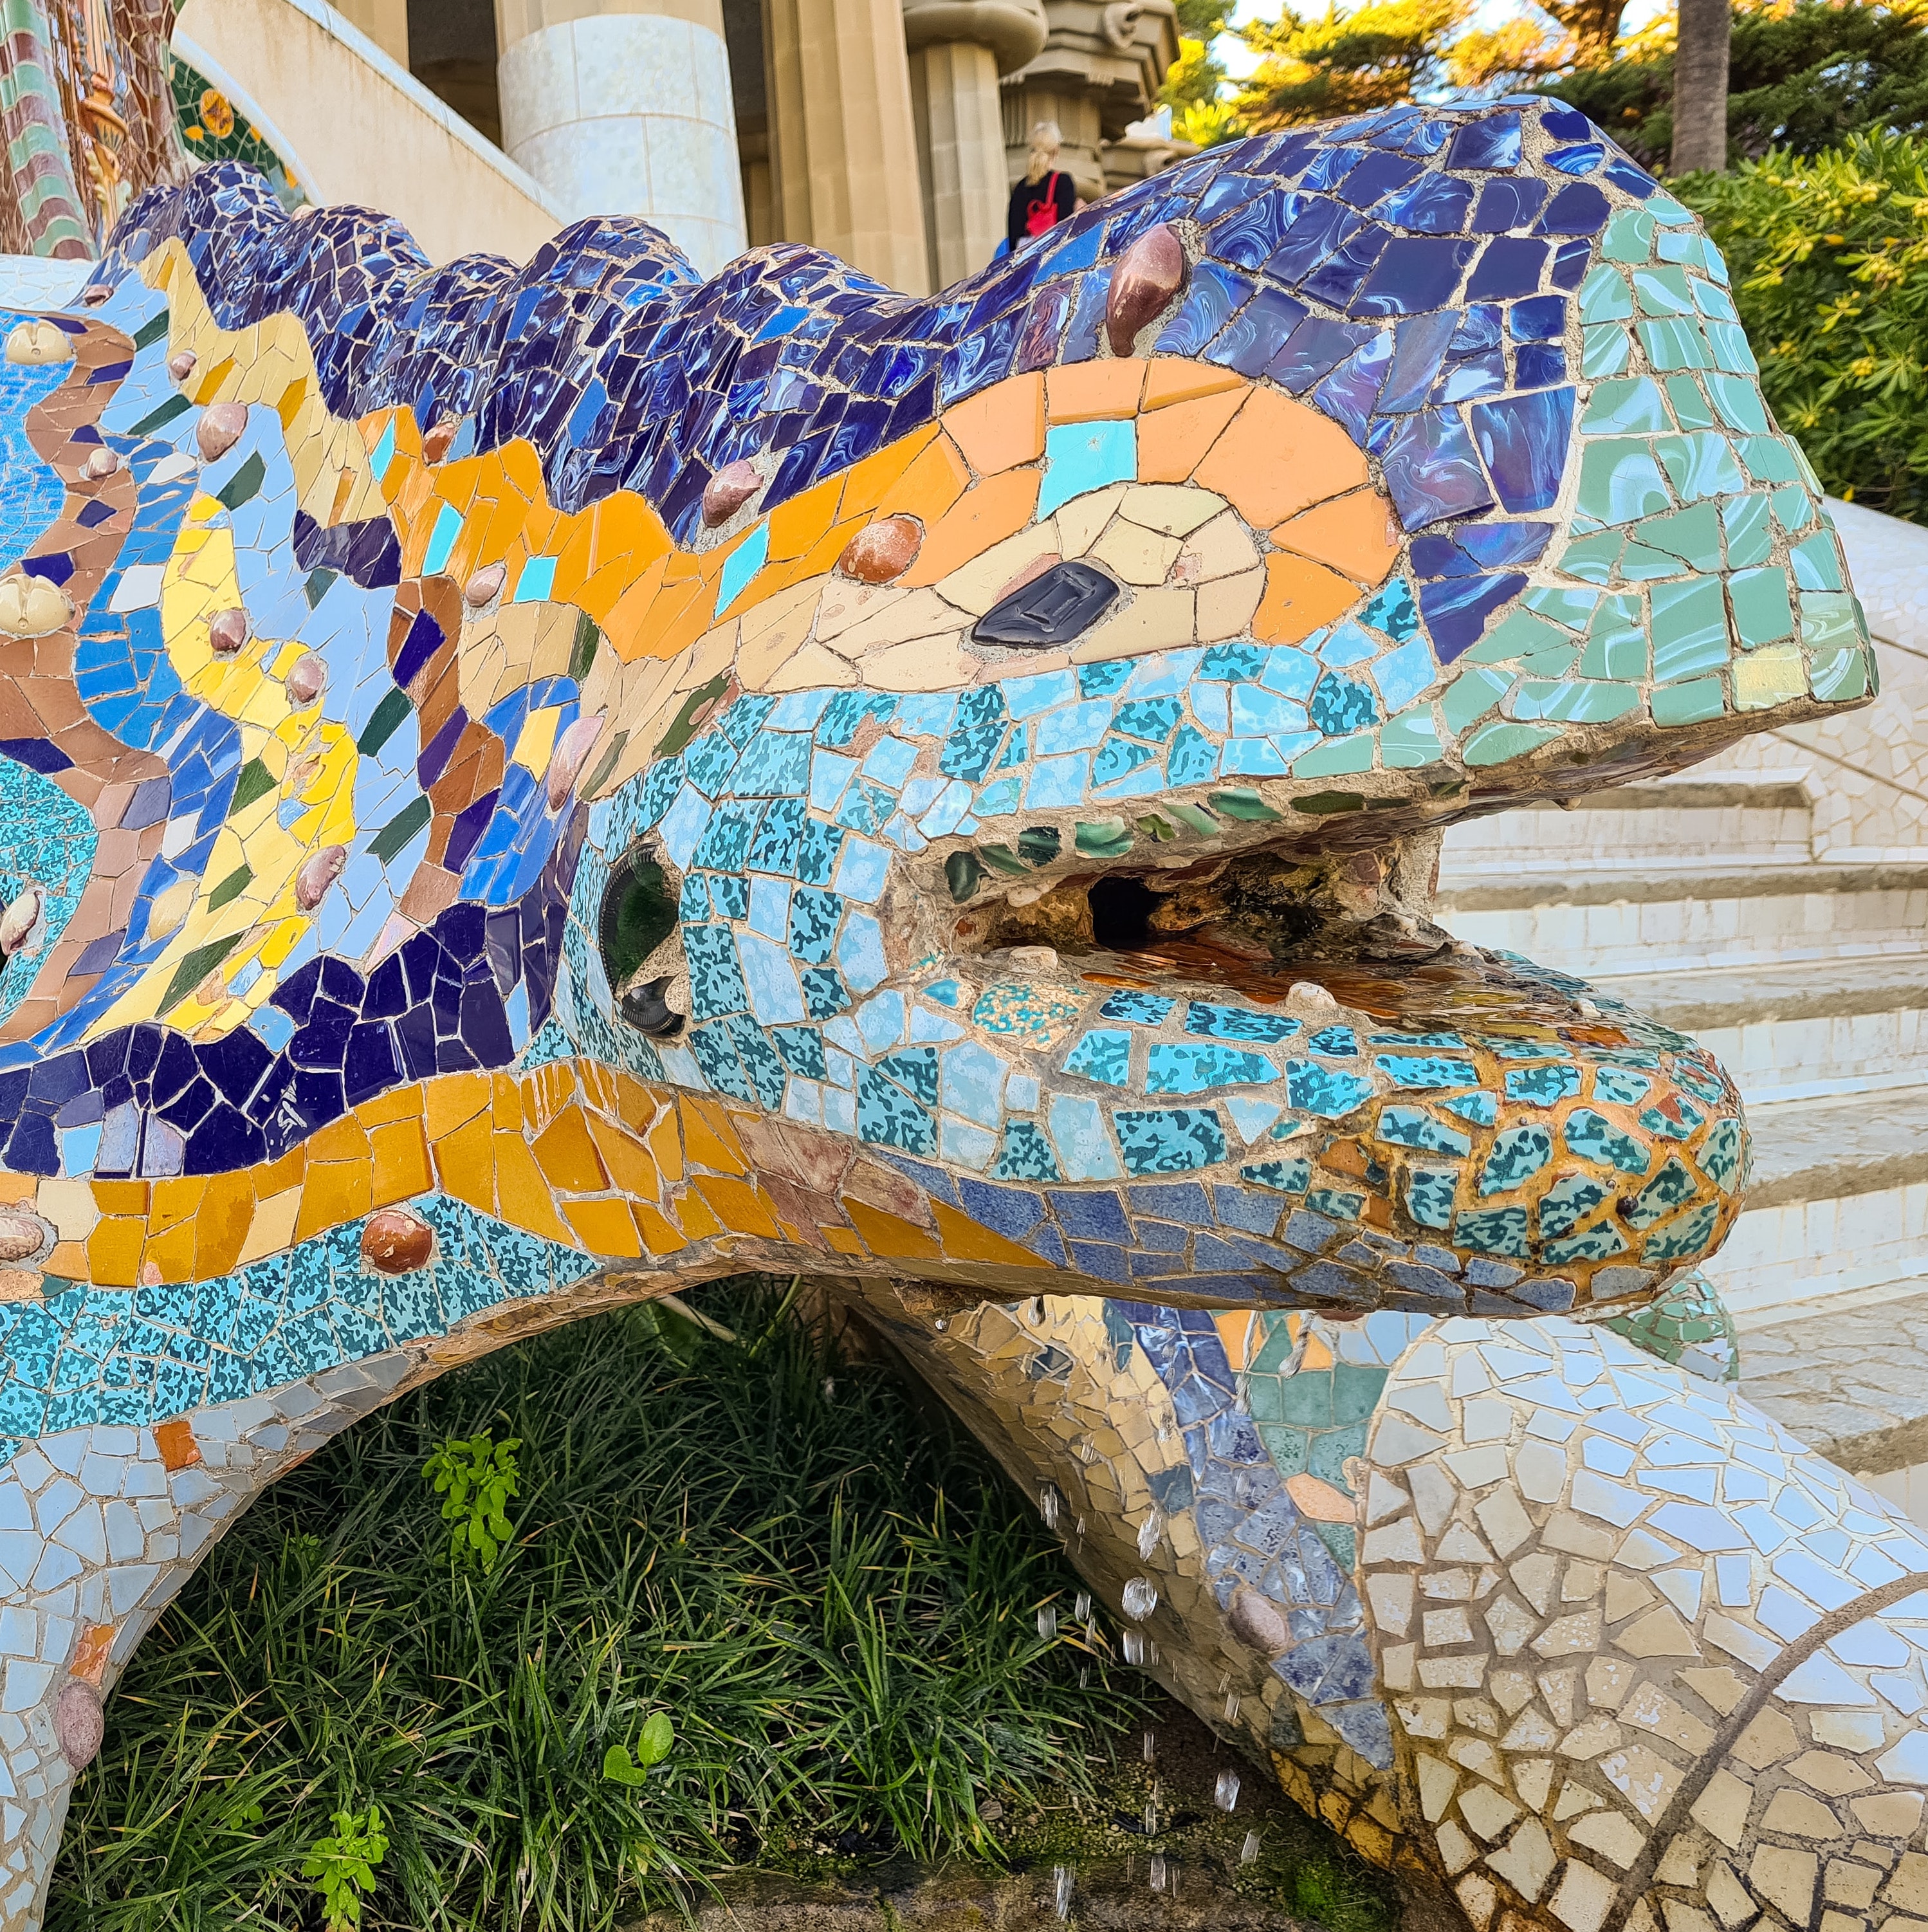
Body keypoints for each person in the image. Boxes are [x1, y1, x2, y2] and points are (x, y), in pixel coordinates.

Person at [1006, 121, 1075, 253]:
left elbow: (1013, 235)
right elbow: (1067, 227)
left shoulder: (1021, 187)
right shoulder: (1063, 182)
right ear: (1056, 151)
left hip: (1023, 259)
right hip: (1052, 256)